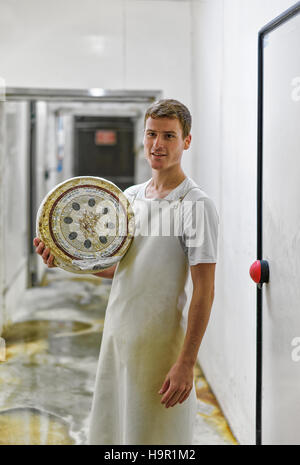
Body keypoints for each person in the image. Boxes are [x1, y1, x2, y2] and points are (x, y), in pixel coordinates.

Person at [34, 98, 219, 445]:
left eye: (169, 136)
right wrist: (65, 260)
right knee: (114, 433)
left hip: (161, 345)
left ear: (187, 141)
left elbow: (204, 290)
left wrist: (186, 363)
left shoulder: (196, 206)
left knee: (157, 439)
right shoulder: (130, 199)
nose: (157, 145)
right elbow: (122, 266)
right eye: (151, 134)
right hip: (118, 336)